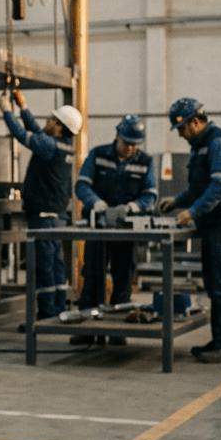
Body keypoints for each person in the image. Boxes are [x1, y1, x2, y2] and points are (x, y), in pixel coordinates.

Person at [159, 98, 221, 363]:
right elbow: (199, 188)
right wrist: (177, 201)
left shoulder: (218, 143)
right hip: (216, 225)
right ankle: (220, 340)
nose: (179, 133)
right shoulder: (200, 146)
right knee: (215, 285)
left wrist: (193, 211)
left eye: (181, 128)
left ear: (196, 122)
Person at [71, 115, 158, 345]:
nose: (129, 148)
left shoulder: (145, 162)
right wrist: (95, 202)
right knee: (92, 276)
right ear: (116, 136)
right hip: (98, 229)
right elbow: (81, 184)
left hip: (127, 232)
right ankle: (86, 330)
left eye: (134, 144)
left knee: (123, 278)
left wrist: (133, 207)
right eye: (126, 142)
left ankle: (118, 330)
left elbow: (151, 195)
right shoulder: (98, 155)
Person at [0, 89, 82, 321]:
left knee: (44, 268)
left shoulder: (49, 146)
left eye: (52, 120)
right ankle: (57, 308)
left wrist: (6, 109)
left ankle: (47, 313)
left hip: (43, 218)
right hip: (55, 216)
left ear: (60, 127)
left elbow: (21, 134)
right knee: (55, 265)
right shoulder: (63, 145)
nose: (48, 121)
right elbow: (37, 131)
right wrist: (23, 107)